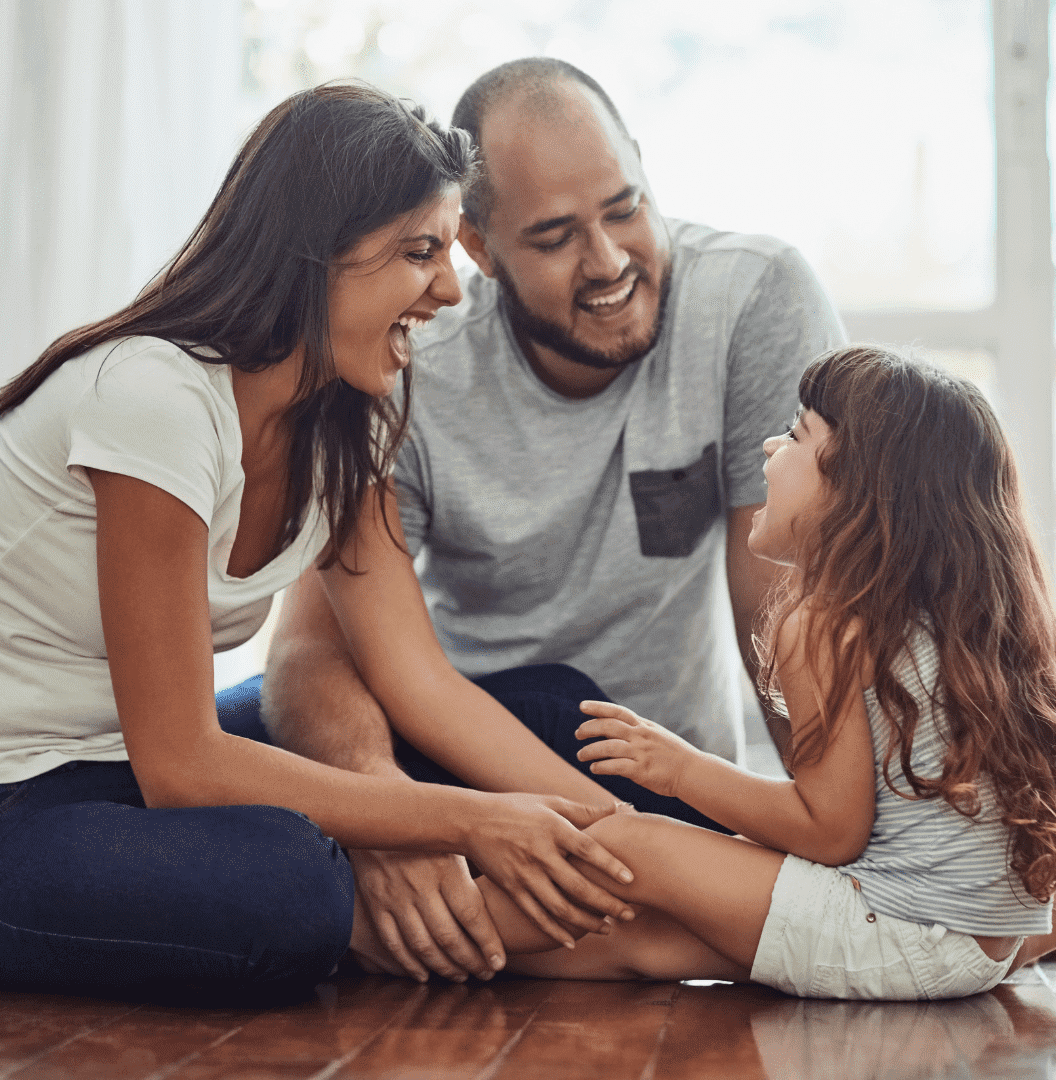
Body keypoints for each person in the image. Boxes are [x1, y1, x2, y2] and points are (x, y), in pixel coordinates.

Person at [0, 82, 640, 1000]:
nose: (454, 288)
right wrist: (456, 825)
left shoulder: (346, 421)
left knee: (558, 711)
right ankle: (461, 912)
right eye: (421, 252)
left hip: (139, 766)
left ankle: (543, 905)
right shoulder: (151, 398)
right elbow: (182, 766)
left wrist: (617, 833)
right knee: (290, 886)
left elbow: (414, 678)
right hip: (29, 791)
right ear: (312, 257)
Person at [259, 57, 845, 983]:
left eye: (624, 208)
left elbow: (797, 616)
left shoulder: (751, 298)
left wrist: (831, 833)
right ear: (479, 250)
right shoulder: (405, 362)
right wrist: (387, 818)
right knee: (177, 786)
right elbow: (308, 653)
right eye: (555, 236)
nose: (609, 262)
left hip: (664, 782)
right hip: (455, 755)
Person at [454, 345, 1056, 999]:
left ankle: (424, 924)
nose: (767, 446)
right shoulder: (955, 625)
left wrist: (680, 769)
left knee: (631, 841)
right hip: (976, 949)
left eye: (795, 435)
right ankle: (414, 942)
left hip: (898, 930)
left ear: (852, 486)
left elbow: (830, 831)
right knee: (641, 936)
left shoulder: (825, 624)